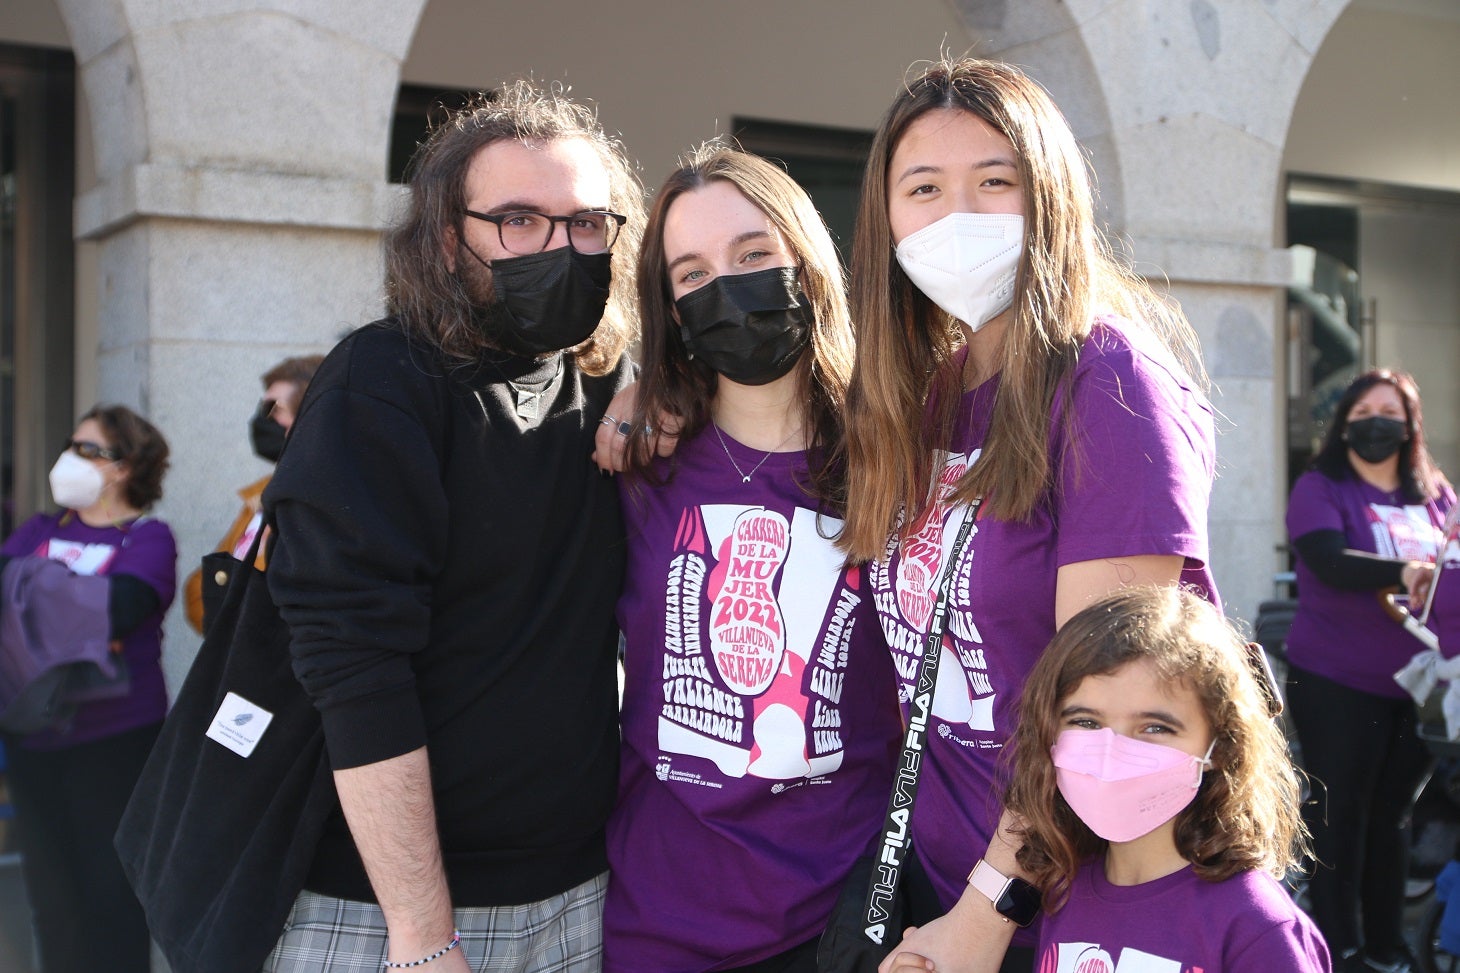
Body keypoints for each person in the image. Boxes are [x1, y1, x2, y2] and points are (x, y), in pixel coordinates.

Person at [832, 58, 1218, 973]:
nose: (956, 215)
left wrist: (988, 908)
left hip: (1064, 911)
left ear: (1049, 197)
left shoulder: (1109, 388)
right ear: (885, 218)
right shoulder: (927, 397)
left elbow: (1110, 715)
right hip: (941, 886)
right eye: (923, 187)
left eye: (994, 181)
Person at [259, 79, 643, 972]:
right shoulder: (381, 382)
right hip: (390, 913)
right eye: (518, 219)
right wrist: (424, 935)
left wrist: (659, 386)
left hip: (580, 892)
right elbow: (354, 661)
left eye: (585, 222)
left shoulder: (606, 382)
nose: (558, 245)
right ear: (445, 238)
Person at [601, 144, 901, 971]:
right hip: (656, 924)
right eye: (690, 274)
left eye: (753, 255)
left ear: (805, 260)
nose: (725, 288)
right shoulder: (637, 465)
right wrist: (631, 395)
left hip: (838, 928)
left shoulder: (896, 461)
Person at [892, 586, 1329, 972]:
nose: (1111, 750)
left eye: (1155, 727)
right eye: (1085, 721)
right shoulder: (1065, 893)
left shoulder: (1258, 929)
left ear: (1222, 746)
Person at [1284, 368, 1454, 973]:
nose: (1376, 422)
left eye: (1390, 412)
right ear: (1343, 425)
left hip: (1419, 686)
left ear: (1410, 426)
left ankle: (1388, 948)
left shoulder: (1435, 493)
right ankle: (1335, 946)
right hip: (1334, 680)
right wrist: (1403, 571)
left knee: (1393, 816)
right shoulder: (1319, 487)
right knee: (1338, 814)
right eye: (1362, 413)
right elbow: (1328, 561)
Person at [0, 404, 177, 973]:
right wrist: (80, 610)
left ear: (122, 465)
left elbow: (123, 610)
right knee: (53, 904)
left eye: (84, 448)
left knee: (111, 899)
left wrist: (34, 594)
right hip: (34, 736)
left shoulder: (149, 538)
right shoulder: (39, 529)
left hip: (116, 742)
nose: (67, 459)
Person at [182, 353, 323, 634]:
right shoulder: (259, 495)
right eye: (263, 407)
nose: (264, 419)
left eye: (274, 408)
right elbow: (200, 587)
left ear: (309, 414)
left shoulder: (322, 498)